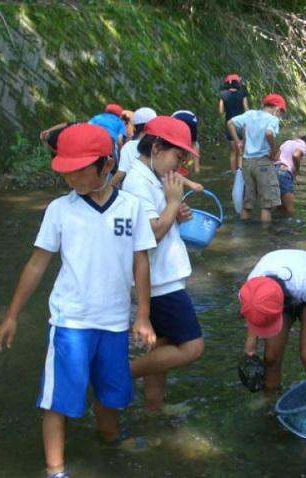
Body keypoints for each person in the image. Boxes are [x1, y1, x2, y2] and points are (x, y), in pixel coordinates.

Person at [0, 123, 157, 478]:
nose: (71, 178)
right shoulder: (60, 210)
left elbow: (140, 260)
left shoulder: (131, 208)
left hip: (114, 322)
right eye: (66, 170)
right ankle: (55, 470)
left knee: (110, 400)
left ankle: (110, 448)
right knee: (57, 401)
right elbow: (37, 263)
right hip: (71, 323)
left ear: (106, 165)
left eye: (80, 170)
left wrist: (142, 315)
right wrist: (12, 315)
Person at [122, 116, 205, 412]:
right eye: (177, 156)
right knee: (192, 347)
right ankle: (118, 375)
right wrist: (172, 204)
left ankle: (153, 409)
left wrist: (174, 215)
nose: (179, 166)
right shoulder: (136, 182)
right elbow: (151, 234)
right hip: (160, 284)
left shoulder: (151, 176)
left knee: (163, 346)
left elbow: (158, 223)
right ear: (156, 147)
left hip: (160, 279)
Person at [239, 249, 306, 390]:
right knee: (271, 357)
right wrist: (251, 341)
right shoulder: (249, 291)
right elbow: (254, 313)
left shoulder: (305, 283)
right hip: (272, 291)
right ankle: (271, 402)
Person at [227, 93, 286, 223]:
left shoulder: (250, 114)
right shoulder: (273, 120)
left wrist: (238, 142)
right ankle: (265, 238)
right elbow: (269, 133)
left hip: (247, 164)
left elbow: (230, 123)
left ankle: (243, 232)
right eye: (281, 112)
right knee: (267, 205)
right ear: (277, 108)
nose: (280, 116)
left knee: (247, 204)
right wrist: (273, 149)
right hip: (263, 163)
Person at [275, 130, 306, 217]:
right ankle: (291, 229)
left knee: (279, 206)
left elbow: (276, 158)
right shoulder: (302, 146)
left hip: (274, 172)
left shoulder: (288, 142)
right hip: (284, 175)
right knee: (290, 209)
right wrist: (296, 171)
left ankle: (276, 227)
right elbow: (296, 155)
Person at [111, 106, 157, 188]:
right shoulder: (157, 148)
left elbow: (120, 174)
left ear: (135, 127)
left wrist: (107, 189)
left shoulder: (129, 146)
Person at [219, 74, 249, 172]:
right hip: (242, 124)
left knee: (233, 151)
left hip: (229, 124)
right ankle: (240, 173)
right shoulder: (242, 93)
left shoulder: (223, 94)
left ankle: (233, 173)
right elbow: (246, 108)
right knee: (241, 150)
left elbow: (221, 111)